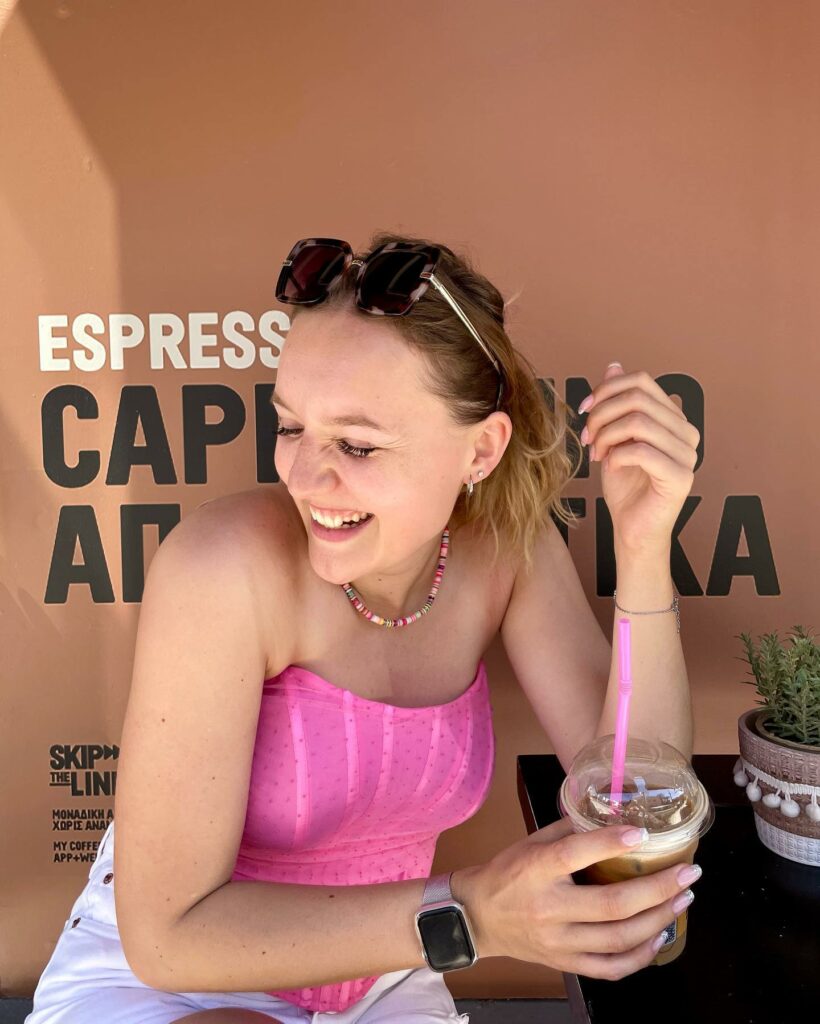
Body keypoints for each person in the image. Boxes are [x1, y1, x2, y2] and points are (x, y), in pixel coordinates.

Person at [25, 232, 701, 1024]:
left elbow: (641, 792)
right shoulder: (222, 566)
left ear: (480, 450)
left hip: (388, 968)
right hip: (178, 977)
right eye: (290, 427)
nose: (305, 478)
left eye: (356, 444)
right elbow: (169, 938)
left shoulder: (510, 550)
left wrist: (644, 545)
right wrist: (471, 918)